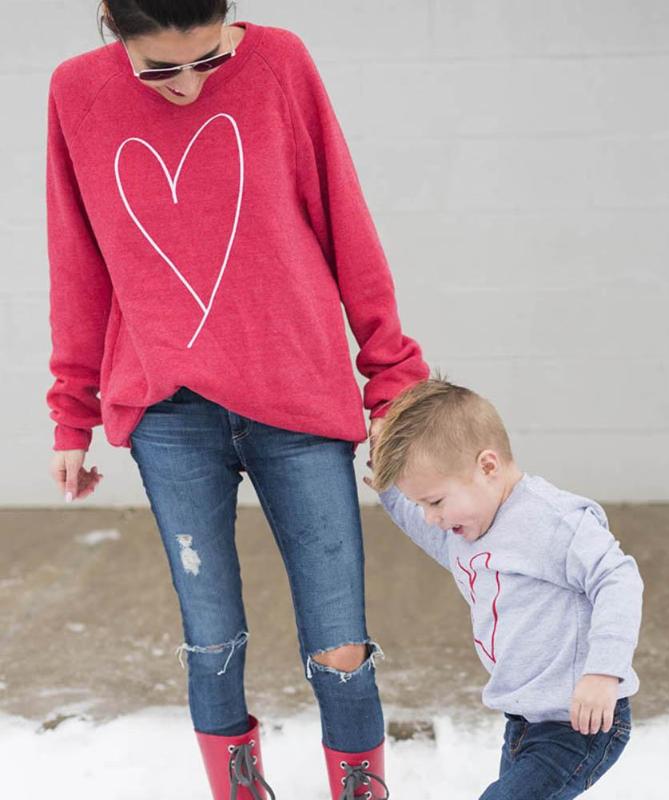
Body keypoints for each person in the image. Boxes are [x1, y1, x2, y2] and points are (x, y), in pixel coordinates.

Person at [45, 2, 428, 797]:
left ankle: (361, 787)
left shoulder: (282, 62)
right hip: (168, 412)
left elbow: (343, 219)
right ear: (113, 27)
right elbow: (77, 258)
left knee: (338, 639)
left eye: (208, 60)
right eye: (159, 69)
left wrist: (392, 375)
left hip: (297, 393)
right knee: (209, 635)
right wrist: (71, 411)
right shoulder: (76, 92)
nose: (187, 86)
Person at [366, 378, 643, 800]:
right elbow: (422, 524)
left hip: (579, 723)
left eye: (435, 502)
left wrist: (604, 671)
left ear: (488, 467)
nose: (429, 517)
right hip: (523, 721)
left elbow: (617, 579)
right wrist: (387, 482)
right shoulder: (468, 532)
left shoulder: (550, 520)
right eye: (422, 504)